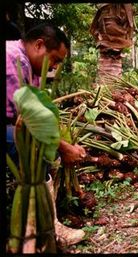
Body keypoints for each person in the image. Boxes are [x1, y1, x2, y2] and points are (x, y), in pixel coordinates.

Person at [6, 23, 86, 247]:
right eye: (55, 59)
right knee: (35, 147)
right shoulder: (15, 59)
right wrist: (64, 147)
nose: (54, 67)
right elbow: (25, 120)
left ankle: (43, 224)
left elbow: (41, 114)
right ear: (39, 45)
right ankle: (47, 229)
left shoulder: (30, 66)